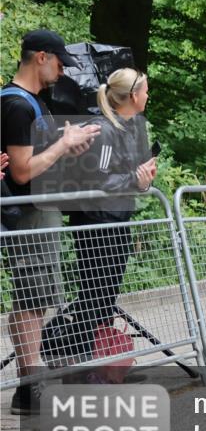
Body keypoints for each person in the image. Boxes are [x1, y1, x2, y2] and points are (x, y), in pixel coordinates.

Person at [1, 29, 101, 414]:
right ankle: (31, 387)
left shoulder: (30, 103)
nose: (62, 72)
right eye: (60, 63)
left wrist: (67, 141)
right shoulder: (18, 105)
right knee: (31, 298)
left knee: (36, 298)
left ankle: (31, 385)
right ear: (40, 57)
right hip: (28, 211)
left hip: (36, 210)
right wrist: (63, 144)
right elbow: (23, 172)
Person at [51, 68, 155, 366]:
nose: (148, 96)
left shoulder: (128, 127)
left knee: (105, 296)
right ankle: (61, 347)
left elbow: (123, 175)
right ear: (133, 95)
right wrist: (134, 181)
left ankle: (100, 361)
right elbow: (96, 182)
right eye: (146, 90)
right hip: (97, 223)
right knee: (96, 294)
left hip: (117, 220)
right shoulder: (103, 130)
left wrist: (143, 179)